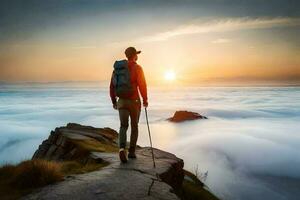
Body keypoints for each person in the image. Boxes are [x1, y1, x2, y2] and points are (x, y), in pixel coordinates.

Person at [109, 47, 148, 163]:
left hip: (121, 101)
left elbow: (111, 86)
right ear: (134, 55)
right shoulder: (138, 68)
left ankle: (121, 148)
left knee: (123, 126)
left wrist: (114, 101)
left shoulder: (117, 69)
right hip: (134, 101)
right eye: (137, 54)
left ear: (127, 56)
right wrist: (145, 99)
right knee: (134, 126)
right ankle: (131, 152)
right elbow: (142, 85)